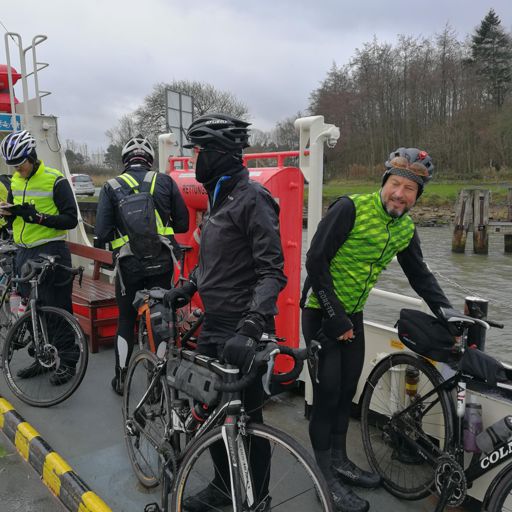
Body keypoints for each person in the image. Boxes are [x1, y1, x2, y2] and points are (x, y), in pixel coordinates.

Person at [301, 148, 453, 512]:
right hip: (322, 313)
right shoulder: (350, 209)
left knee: (347, 391)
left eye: (409, 189)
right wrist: (335, 317)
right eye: (395, 184)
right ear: (384, 182)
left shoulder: (405, 228)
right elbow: (315, 260)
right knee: (327, 394)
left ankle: (340, 461)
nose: (399, 194)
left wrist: (449, 315)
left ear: (417, 196)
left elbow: (420, 276)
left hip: (353, 316)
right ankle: (324, 478)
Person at [163, 113, 287, 512]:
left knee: (248, 422)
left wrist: (251, 326)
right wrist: (189, 285)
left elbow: (272, 271)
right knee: (212, 414)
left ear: (217, 153)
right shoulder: (219, 198)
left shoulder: (253, 199)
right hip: (215, 323)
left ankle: (258, 500)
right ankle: (221, 487)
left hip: (243, 327)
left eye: (198, 151)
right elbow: (214, 259)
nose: (195, 159)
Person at [94, 134, 189, 395]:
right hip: (161, 263)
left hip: (129, 266)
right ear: (150, 160)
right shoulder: (166, 182)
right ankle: (157, 383)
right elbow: (183, 224)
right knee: (159, 319)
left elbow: (101, 233)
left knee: (126, 319)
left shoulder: (111, 186)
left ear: (125, 160)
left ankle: (121, 378)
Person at [0, 129, 79, 385]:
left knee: (56, 309)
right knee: (33, 310)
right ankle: (42, 358)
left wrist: (37, 217)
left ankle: (68, 362)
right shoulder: (15, 181)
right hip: (24, 252)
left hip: (51, 251)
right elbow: (15, 214)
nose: (17, 170)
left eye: (20, 164)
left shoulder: (55, 180)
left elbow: (70, 219)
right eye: (13, 166)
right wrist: (9, 214)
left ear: (32, 157)